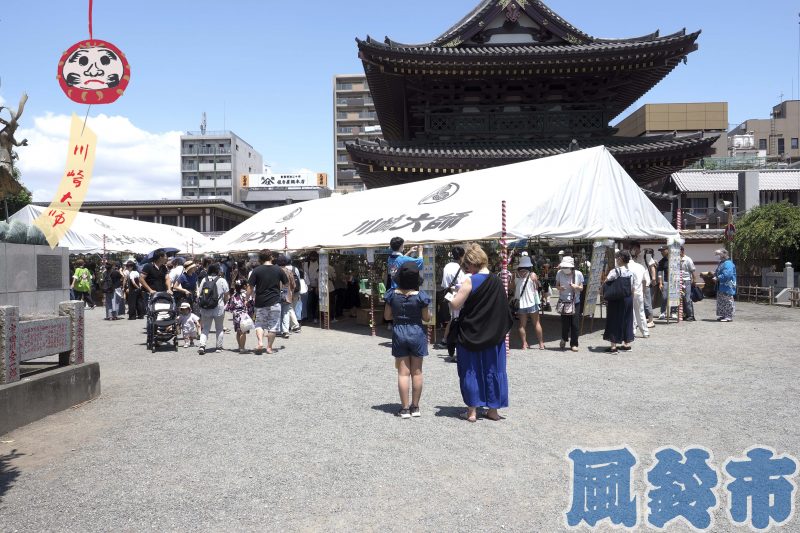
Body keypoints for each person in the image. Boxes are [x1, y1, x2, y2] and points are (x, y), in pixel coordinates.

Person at [449, 243, 513, 423]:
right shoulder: (497, 281)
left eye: (467, 265)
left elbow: (456, 304)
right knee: (494, 370)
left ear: (472, 263)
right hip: (494, 335)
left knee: (471, 370)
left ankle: (472, 412)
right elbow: (503, 309)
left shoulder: (469, 280)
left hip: (471, 333)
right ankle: (493, 410)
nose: (466, 268)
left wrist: (451, 296)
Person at [383, 262, 431, 419]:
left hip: (399, 333)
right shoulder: (421, 296)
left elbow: (387, 316)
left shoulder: (392, 294)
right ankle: (415, 407)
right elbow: (426, 318)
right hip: (416, 332)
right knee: (417, 372)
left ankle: (404, 409)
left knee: (403, 373)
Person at [248, 249, 288, 355]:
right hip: (275, 301)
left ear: (260, 258)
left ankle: (260, 342)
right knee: (273, 326)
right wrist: (281, 291)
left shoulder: (256, 270)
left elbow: (250, 287)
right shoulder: (278, 269)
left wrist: (248, 297)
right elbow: (286, 284)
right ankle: (269, 347)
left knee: (259, 324)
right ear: (271, 257)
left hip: (260, 301)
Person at [434, 246, 466, 351]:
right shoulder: (461, 268)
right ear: (462, 256)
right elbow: (463, 284)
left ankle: (444, 340)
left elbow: (444, 283)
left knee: (452, 318)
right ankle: (455, 340)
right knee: (458, 318)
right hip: (459, 294)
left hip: (448, 293)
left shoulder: (447, 266)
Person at [603, 250, 635, 353]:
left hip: (616, 299)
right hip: (628, 298)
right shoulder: (630, 273)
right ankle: (626, 344)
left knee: (614, 320)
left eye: (617, 258)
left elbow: (606, 282)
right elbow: (632, 288)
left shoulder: (615, 271)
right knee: (627, 320)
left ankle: (613, 347)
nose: (616, 260)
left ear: (620, 259)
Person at [512, 252, 545, 350]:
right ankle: (541, 344)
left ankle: (524, 344)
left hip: (521, 303)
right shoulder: (532, 274)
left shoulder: (515, 275)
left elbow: (511, 287)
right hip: (532, 303)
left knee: (522, 325)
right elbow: (538, 286)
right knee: (536, 323)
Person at [196, 263, 229, 354]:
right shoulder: (222, 280)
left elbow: (199, 293)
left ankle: (202, 345)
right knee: (219, 328)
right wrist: (225, 302)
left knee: (205, 328)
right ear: (218, 271)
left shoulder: (204, 280)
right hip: (218, 307)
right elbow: (226, 295)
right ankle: (219, 347)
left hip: (206, 307)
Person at [555, 256, 584, 352]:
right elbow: (557, 285)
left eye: (566, 267)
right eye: (563, 267)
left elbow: (582, 288)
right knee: (565, 324)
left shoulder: (578, 274)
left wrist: (576, 287)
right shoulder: (559, 273)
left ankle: (574, 343)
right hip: (564, 301)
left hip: (575, 301)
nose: (565, 269)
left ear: (572, 267)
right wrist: (560, 288)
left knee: (575, 324)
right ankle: (564, 338)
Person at [630, 241, 656, 328]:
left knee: (646, 301)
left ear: (637, 248)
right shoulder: (633, 258)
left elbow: (652, 266)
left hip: (646, 281)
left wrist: (653, 278)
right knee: (638, 302)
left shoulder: (645, 255)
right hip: (637, 283)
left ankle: (651, 320)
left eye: (633, 248)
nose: (632, 250)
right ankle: (640, 320)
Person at [225, 279, 254, 353]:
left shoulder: (234, 295)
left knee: (238, 331)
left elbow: (230, 306)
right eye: (247, 285)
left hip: (236, 315)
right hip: (243, 315)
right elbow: (251, 304)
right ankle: (242, 348)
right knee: (243, 332)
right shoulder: (245, 294)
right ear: (244, 286)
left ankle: (239, 346)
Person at [626, 249, 649, 338]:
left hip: (629, 293)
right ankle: (645, 332)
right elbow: (644, 281)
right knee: (641, 312)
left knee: (631, 312)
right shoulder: (640, 266)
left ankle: (632, 331)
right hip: (639, 292)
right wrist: (642, 292)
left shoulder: (625, 267)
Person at [276, 254, 298, 337]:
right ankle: (285, 331)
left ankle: (278, 330)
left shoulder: (275, 271)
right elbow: (293, 285)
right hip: (287, 294)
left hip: (276, 294)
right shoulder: (289, 271)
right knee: (285, 312)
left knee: (277, 312)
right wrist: (291, 293)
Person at [713, 249, 737, 322]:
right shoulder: (722, 263)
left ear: (723, 255)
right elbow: (719, 271)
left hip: (727, 285)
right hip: (722, 285)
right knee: (722, 300)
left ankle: (728, 316)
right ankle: (724, 315)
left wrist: (718, 278)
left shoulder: (728, 263)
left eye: (719, 255)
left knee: (727, 300)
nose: (718, 256)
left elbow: (727, 274)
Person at [679, 246, 697, 321]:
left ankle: (691, 315)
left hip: (686, 280)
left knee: (687, 298)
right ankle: (684, 314)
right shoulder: (676, 259)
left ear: (682, 251)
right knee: (681, 298)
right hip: (678, 280)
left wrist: (694, 280)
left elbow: (692, 270)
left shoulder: (688, 259)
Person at [304, 252, 320, 323]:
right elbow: (305, 275)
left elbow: (320, 275)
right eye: (312, 256)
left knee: (317, 302)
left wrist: (317, 286)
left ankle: (315, 317)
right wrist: (309, 285)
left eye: (314, 257)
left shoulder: (320, 263)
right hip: (309, 286)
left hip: (318, 286)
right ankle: (310, 317)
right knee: (309, 302)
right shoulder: (306, 264)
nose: (313, 258)